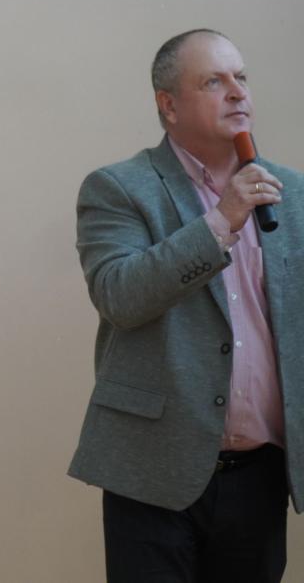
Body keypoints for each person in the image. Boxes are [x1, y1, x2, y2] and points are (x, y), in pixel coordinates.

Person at [68, 29, 304, 582]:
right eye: (214, 82)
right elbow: (120, 295)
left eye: (241, 78)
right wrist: (221, 221)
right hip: (152, 471)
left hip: (262, 475)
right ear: (168, 105)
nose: (238, 92)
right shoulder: (118, 188)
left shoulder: (290, 193)